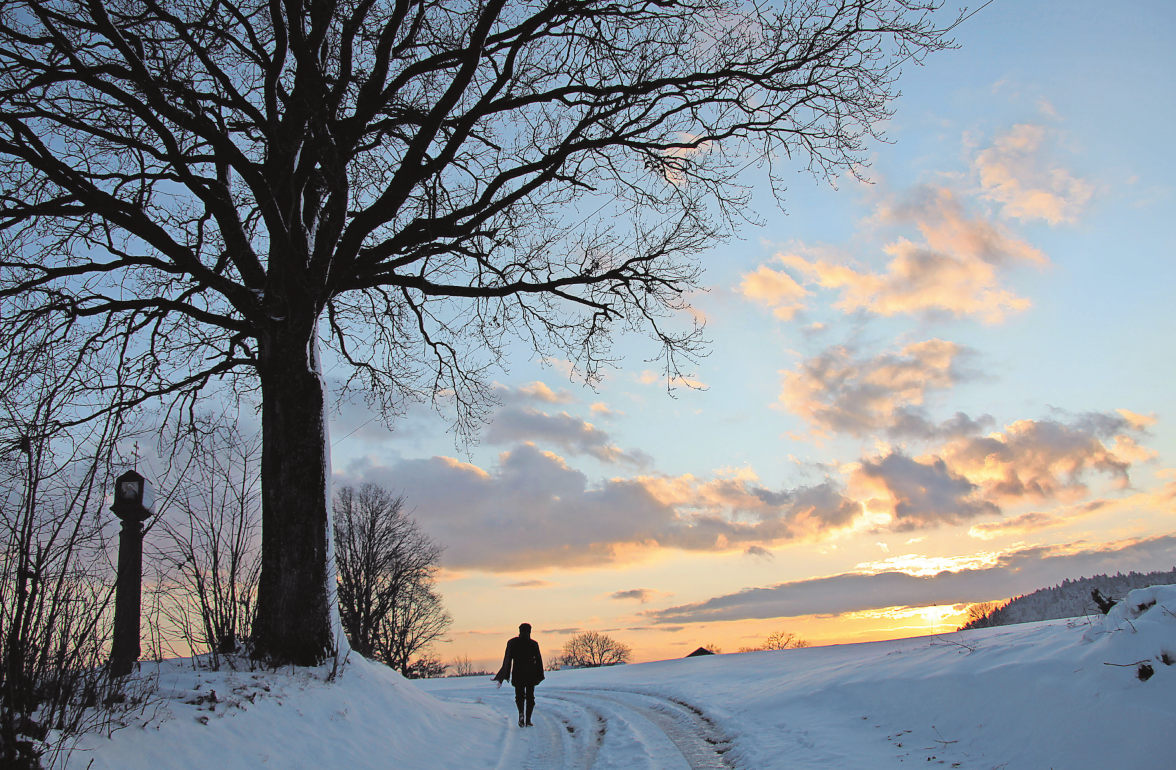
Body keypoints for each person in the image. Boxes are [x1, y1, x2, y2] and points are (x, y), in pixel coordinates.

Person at [492, 622, 545, 727]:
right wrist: (540, 675)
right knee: (530, 698)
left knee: (519, 697)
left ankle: (521, 713)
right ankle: (528, 720)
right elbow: (539, 660)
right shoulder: (533, 644)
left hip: (518, 674)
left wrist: (506, 674)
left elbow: (508, 660)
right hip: (530, 675)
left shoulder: (513, 643)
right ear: (529, 632)